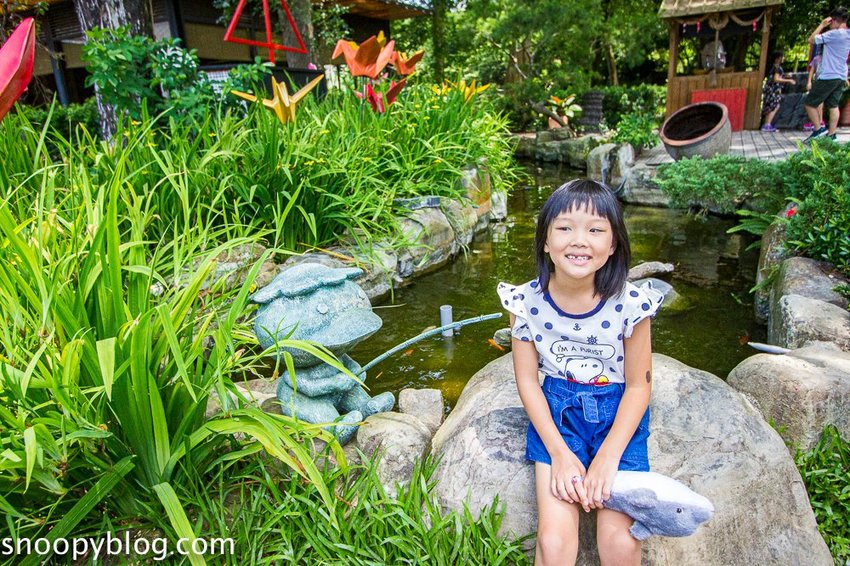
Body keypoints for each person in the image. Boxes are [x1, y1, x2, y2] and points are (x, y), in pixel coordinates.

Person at [497, 180, 663, 565]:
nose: (579, 240)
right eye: (565, 227)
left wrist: (608, 457)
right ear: (545, 241)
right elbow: (527, 380)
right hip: (559, 417)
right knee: (554, 543)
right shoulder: (525, 302)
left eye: (595, 229)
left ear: (614, 244)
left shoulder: (631, 304)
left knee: (620, 542)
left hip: (617, 418)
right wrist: (559, 453)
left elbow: (639, 386)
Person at [803, 6, 850, 142]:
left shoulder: (834, 34)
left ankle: (818, 130)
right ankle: (832, 135)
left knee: (809, 103)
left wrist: (822, 25)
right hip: (841, 75)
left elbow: (811, 40)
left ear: (834, 20)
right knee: (833, 105)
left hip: (828, 75)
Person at [760, 51, 796, 132]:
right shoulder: (777, 68)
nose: (783, 58)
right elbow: (776, 79)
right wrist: (789, 80)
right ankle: (767, 124)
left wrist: (785, 75)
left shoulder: (773, 67)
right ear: (778, 59)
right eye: (782, 57)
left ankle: (766, 124)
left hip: (769, 89)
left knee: (770, 106)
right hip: (774, 90)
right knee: (775, 106)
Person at [803, 36, 825, 131]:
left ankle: (820, 121)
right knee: (815, 102)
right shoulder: (817, 58)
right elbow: (812, 70)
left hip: (825, 81)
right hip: (817, 81)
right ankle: (816, 121)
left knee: (820, 102)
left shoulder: (830, 59)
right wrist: (809, 82)